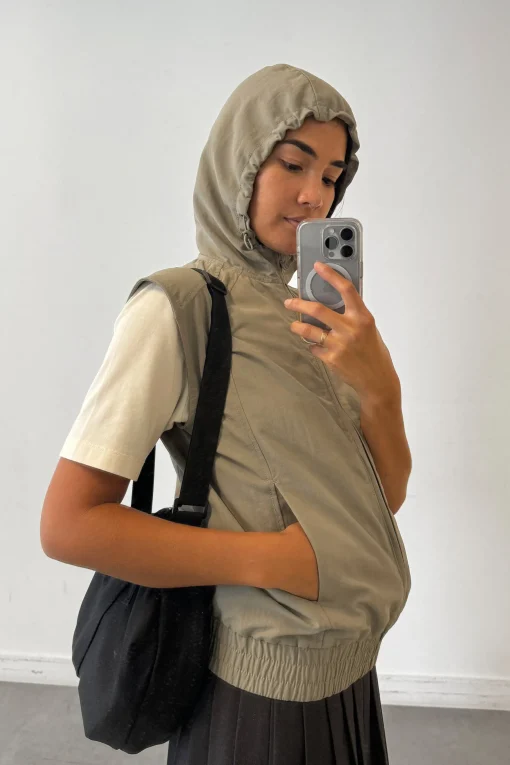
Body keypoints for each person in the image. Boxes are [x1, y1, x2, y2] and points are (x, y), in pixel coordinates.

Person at [41, 63, 412, 764]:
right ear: (239, 162)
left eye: (332, 176)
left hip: (349, 676)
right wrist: (277, 561)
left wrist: (381, 388)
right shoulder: (181, 306)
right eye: (293, 163)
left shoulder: (314, 319)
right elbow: (68, 523)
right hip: (259, 699)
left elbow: (379, 499)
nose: (314, 194)